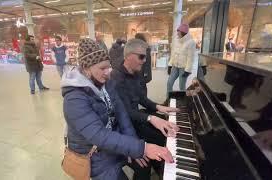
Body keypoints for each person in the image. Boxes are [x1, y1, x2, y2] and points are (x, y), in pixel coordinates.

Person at [61, 38, 174, 180]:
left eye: (108, 66)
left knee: (144, 164)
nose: (108, 72)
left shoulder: (106, 83)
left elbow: (122, 115)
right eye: (102, 68)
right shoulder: (74, 99)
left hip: (114, 143)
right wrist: (142, 148)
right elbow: (100, 136)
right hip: (94, 156)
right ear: (85, 68)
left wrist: (135, 147)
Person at [111, 39, 179, 180]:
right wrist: (151, 118)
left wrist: (159, 107)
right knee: (144, 163)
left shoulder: (136, 73)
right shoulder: (116, 78)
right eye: (141, 57)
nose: (144, 61)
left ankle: (164, 170)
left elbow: (142, 98)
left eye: (145, 57)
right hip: (124, 126)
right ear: (128, 56)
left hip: (135, 120)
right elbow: (125, 113)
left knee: (164, 134)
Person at [167, 23, 196, 96]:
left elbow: (191, 58)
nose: (177, 33)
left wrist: (187, 70)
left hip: (183, 68)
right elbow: (173, 53)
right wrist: (170, 64)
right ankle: (168, 99)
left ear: (183, 32)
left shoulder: (191, 42)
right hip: (175, 66)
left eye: (178, 31)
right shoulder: (176, 40)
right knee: (169, 83)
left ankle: (183, 101)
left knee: (181, 86)